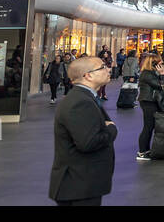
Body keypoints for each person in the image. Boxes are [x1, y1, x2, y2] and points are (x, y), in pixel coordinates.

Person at [49, 56, 117, 206]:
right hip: (79, 184)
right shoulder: (80, 102)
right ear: (88, 75)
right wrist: (112, 129)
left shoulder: (84, 98)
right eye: (102, 67)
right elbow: (88, 142)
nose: (108, 70)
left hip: (82, 184)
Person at [135, 54, 164, 161]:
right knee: (148, 126)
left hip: (150, 100)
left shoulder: (150, 73)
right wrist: (162, 75)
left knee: (150, 126)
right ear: (153, 63)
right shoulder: (147, 74)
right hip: (148, 101)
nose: (162, 64)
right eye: (160, 62)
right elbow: (160, 85)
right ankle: (142, 151)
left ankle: (146, 150)